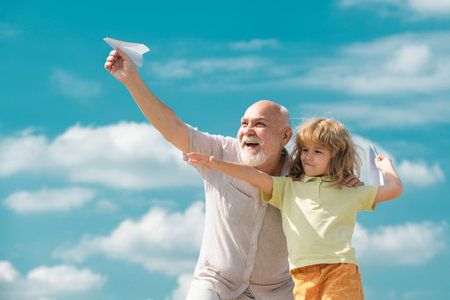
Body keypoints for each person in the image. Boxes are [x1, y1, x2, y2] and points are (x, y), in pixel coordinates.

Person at [104, 49, 362, 300]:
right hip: (216, 283)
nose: (248, 130)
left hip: (276, 290)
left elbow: (334, 174)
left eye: (260, 124)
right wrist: (131, 80)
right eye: (244, 123)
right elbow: (173, 127)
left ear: (285, 136)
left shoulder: (303, 174)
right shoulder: (220, 152)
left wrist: (345, 180)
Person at [187, 118, 403, 300]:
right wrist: (218, 165)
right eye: (305, 149)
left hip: (339, 270)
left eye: (318, 151)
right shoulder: (288, 188)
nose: (308, 156)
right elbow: (254, 176)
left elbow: (394, 190)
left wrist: (386, 167)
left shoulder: (349, 191)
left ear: (335, 157)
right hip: (300, 276)